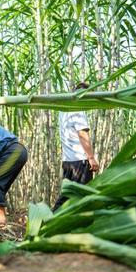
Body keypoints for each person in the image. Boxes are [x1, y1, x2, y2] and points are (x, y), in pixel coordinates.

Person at [52, 82, 100, 212]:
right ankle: (47, 222)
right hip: (80, 161)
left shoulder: (65, 109)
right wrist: (91, 157)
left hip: (68, 161)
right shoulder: (78, 109)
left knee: (68, 196)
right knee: (81, 197)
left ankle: (54, 223)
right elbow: (82, 133)